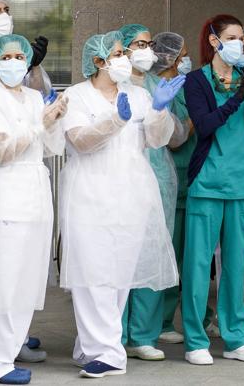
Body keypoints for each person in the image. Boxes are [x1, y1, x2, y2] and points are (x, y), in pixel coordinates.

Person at [61, 31, 183, 377]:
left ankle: (96, 346)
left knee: (118, 275)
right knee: (92, 272)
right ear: (98, 62)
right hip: (90, 191)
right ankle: (107, 352)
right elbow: (81, 141)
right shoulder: (77, 96)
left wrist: (158, 110)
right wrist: (114, 120)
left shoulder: (139, 94)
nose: (124, 59)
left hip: (131, 192)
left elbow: (157, 140)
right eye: (116, 54)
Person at [0, 35, 66, 385]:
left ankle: (6, 356)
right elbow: (2, 152)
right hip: (2, 196)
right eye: (6, 56)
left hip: (34, 194)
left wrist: (54, 120)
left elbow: (50, 147)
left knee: (25, 280)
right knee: (1, 281)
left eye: (19, 55)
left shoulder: (35, 96)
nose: (14, 62)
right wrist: (40, 122)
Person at [178, 15, 244, 365]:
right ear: (215, 41)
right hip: (208, 180)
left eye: (243, 41)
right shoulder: (196, 81)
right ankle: (196, 340)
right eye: (232, 38)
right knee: (199, 264)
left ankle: (237, 338)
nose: (239, 45)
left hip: (243, 179)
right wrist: (235, 99)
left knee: (236, 264)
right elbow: (204, 126)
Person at [118, 24, 188, 361]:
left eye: (149, 43)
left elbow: (175, 138)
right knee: (118, 257)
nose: (147, 50)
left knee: (151, 252)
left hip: (157, 179)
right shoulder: (111, 86)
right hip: (117, 183)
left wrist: (164, 112)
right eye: (138, 44)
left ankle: (143, 335)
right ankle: (112, 334)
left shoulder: (160, 85)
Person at [152, 32, 197, 345]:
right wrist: (196, 118)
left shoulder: (184, 86)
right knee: (167, 254)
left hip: (189, 181)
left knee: (187, 257)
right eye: (183, 54)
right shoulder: (157, 89)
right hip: (167, 182)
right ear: (169, 57)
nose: (186, 59)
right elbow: (176, 135)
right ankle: (163, 320)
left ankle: (188, 316)